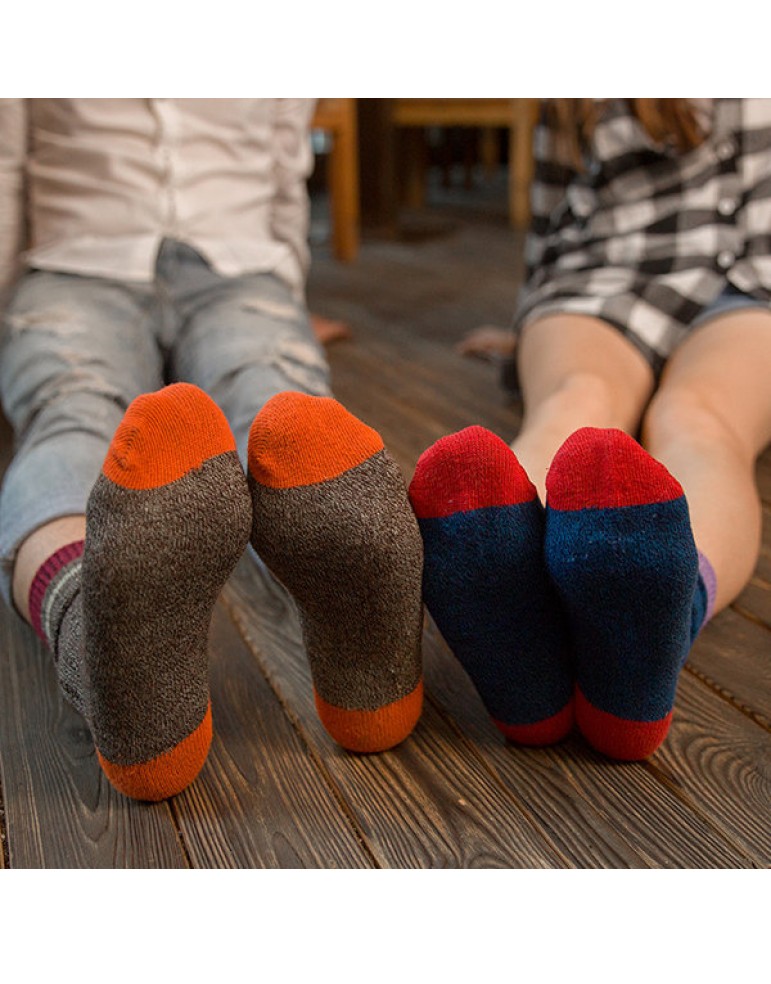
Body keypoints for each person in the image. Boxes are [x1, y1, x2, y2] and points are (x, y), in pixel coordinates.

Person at [0, 99, 423, 803]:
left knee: (84, 410)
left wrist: (286, 289)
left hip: (229, 266)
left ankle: (89, 630)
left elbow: (283, 178)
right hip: (78, 263)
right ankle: (370, 683)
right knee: (269, 395)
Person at [408, 98, 771, 761]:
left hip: (756, 290)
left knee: (696, 417)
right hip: (606, 274)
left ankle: (632, 626)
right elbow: (554, 213)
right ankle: (538, 615)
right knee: (581, 398)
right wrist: (527, 328)